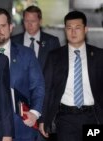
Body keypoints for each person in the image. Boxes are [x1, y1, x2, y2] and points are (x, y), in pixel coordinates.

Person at [39, 11, 103, 141]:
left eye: (77, 28)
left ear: (85, 30)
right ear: (65, 30)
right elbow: (47, 89)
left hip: (93, 117)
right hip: (65, 119)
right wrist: (43, 119)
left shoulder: (98, 56)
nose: (73, 32)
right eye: (69, 28)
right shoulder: (54, 57)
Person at [0, 8, 45, 141]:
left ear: (11, 27)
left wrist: (35, 113)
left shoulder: (27, 54)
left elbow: (38, 86)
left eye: (2, 26)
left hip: (21, 125)